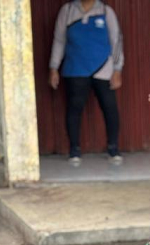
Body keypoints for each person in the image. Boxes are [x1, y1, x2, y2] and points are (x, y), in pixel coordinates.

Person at [49, 0, 124, 167]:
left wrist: (117, 69)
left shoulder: (106, 11)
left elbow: (116, 41)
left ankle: (113, 148)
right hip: (75, 68)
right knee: (74, 109)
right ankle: (74, 150)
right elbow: (59, 40)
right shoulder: (67, 11)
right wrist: (53, 67)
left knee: (110, 108)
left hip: (103, 68)